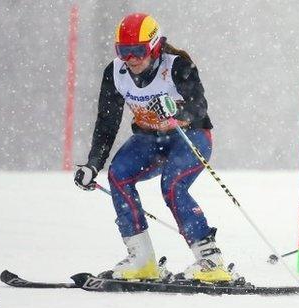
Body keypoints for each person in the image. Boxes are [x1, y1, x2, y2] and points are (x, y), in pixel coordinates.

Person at [74, 13, 234, 283]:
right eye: (124, 51)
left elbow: (199, 107)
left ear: (155, 46)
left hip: (189, 136)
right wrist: (93, 164)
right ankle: (142, 260)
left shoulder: (177, 66)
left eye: (138, 51)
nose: (132, 59)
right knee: (118, 174)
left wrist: (175, 109)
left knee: (172, 185)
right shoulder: (115, 73)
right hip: (151, 140)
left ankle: (210, 260)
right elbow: (106, 124)